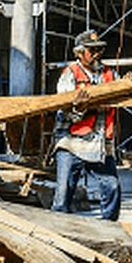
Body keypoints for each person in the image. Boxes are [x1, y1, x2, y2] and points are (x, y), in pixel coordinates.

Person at [51, 29, 121, 221]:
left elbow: (124, 91)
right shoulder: (70, 74)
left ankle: (109, 229)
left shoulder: (109, 74)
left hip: (99, 144)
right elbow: (63, 109)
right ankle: (58, 231)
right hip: (72, 142)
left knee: (112, 186)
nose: (97, 53)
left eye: (99, 49)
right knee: (63, 194)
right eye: (92, 50)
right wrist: (79, 109)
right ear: (79, 53)